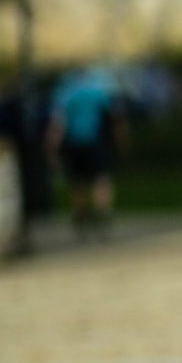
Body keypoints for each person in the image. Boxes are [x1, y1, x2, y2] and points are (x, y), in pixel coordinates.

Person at [45, 64, 126, 237]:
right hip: (96, 142)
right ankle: (103, 211)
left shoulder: (66, 91)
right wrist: (120, 138)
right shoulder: (98, 90)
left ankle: (81, 212)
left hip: (74, 143)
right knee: (101, 178)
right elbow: (115, 116)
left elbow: (58, 123)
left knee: (77, 180)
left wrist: (52, 146)